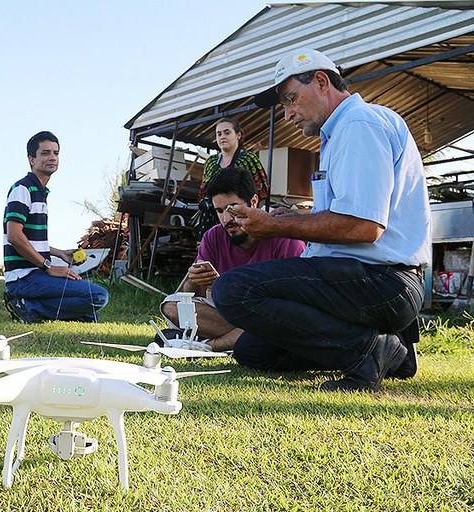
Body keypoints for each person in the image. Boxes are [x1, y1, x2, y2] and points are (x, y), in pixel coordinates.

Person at [212, 48, 431, 392]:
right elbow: (348, 215)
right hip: (363, 280)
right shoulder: (339, 134)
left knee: (233, 289)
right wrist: (298, 216)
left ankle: (369, 350)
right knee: (252, 351)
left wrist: (276, 226)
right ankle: (395, 350)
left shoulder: (359, 124)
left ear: (321, 81)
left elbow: (364, 226)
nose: (288, 115)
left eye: (291, 99)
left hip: (381, 282)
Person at [161, 167, 305, 351]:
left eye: (232, 209)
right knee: (171, 306)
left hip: (270, 315)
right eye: (219, 211)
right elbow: (187, 296)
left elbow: (294, 307)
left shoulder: (284, 237)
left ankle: (209, 345)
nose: (226, 218)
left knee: (277, 322)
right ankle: (239, 339)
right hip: (229, 314)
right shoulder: (213, 236)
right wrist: (193, 280)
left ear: (253, 202)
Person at [3, 131, 109, 323]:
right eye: (45, 153)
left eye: (56, 153)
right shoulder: (23, 189)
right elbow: (14, 236)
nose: (52, 157)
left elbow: (28, 238)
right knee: (98, 296)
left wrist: (59, 253)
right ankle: (29, 305)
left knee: (89, 314)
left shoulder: (40, 193)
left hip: (36, 274)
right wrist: (49, 267)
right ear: (31, 159)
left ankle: (31, 305)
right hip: (23, 277)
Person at [197, 117, 269, 241]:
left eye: (227, 132)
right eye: (219, 134)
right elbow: (204, 191)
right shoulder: (211, 162)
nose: (222, 137)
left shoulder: (248, 159)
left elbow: (261, 192)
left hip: (239, 218)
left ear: (238, 135)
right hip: (212, 217)